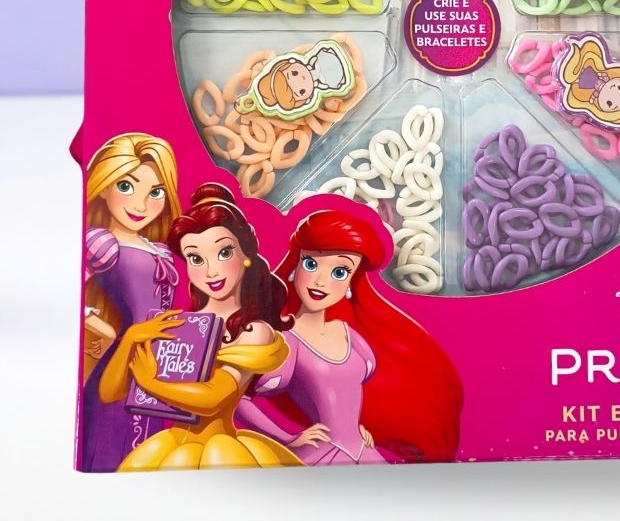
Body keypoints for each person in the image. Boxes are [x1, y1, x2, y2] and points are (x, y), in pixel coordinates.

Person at [234, 194, 463, 464]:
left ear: (351, 282)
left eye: (340, 272)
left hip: (362, 450)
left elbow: (349, 399)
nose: (320, 281)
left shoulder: (350, 335)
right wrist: (287, 438)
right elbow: (237, 398)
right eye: (311, 264)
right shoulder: (287, 342)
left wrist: (356, 428)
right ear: (295, 266)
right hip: (322, 457)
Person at [103, 183, 302, 471]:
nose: (211, 271)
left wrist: (151, 383)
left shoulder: (253, 330)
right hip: (169, 447)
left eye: (224, 252)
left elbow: (212, 398)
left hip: (221, 450)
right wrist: (131, 338)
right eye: (196, 258)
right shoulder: (182, 324)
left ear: (245, 253)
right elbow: (110, 394)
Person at [79, 134, 181, 472]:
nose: (140, 205)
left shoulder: (159, 248)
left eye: (155, 193)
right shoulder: (101, 242)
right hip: (121, 361)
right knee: (112, 446)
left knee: (147, 449)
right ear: (104, 185)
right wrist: (106, 331)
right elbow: (73, 291)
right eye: (126, 186)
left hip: (158, 366)